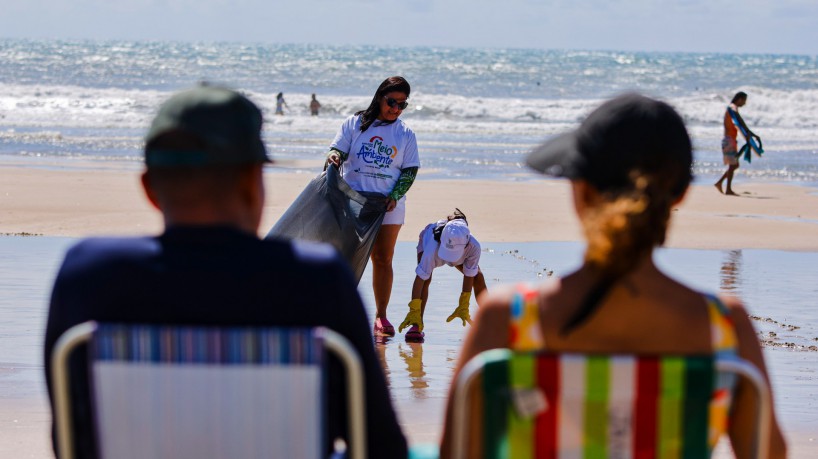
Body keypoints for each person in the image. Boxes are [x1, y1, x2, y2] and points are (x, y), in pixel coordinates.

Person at [43, 85, 408, 459]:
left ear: (150, 189)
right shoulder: (315, 281)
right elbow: (380, 446)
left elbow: (71, 440)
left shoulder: (89, 276)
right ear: (253, 184)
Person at [439, 93, 786, 458]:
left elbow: (457, 451)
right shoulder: (726, 327)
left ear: (581, 191)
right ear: (680, 194)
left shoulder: (506, 320)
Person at [326, 76, 420, 337]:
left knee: (382, 258)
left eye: (402, 105)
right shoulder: (355, 124)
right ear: (380, 97)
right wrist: (334, 157)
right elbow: (337, 150)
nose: (396, 109)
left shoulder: (405, 134)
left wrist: (396, 194)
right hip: (353, 201)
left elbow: (410, 171)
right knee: (346, 258)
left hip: (387, 206)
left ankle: (381, 316)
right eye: (392, 102)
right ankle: (338, 312)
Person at [397, 208, 487, 342]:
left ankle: (491, 322)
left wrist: (464, 305)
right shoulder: (431, 248)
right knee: (426, 279)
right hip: (429, 242)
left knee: (477, 276)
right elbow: (419, 278)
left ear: (467, 243)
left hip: (457, 253)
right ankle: (416, 323)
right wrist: (413, 310)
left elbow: (469, 276)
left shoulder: (474, 247)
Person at [715, 91, 748, 195]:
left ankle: (720, 183)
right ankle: (726, 188)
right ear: (739, 99)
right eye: (744, 101)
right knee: (733, 165)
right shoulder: (732, 107)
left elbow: (737, 122)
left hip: (730, 140)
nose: (745, 103)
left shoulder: (731, 108)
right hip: (729, 141)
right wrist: (748, 131)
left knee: (734, 165)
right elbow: (739, 119)